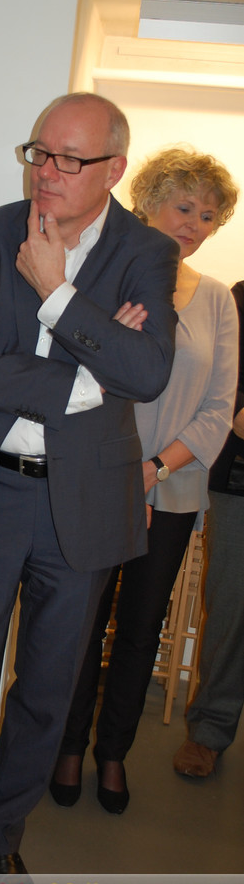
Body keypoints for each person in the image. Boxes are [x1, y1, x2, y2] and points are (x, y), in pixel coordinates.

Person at [0, 92, 179, 876]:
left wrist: (57, 294)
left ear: (113, 170)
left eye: (69, 160)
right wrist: (84, 380)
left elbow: (145, 372)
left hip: (81, 507)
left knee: (47, 694)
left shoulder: (147, 252)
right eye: (39, 153)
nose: (46, 172)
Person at [51, 147, 238, 814]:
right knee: (81, 619)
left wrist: (154, 470)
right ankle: (66, 745)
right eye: (183, 207)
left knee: (140, 626)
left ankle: (112, 753)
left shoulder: (217, 300)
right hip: (99, 480)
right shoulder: (104, 279)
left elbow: (219, 408)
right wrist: (123, 470)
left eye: (208, 216)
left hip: (173, 487)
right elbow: (75, 377)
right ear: (149, 202)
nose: (193, 224)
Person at [173, 279, 244, 778]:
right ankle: (209, 732)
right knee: (231, 613)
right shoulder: (238, 300)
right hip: (238, 485)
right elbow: (222, 388)